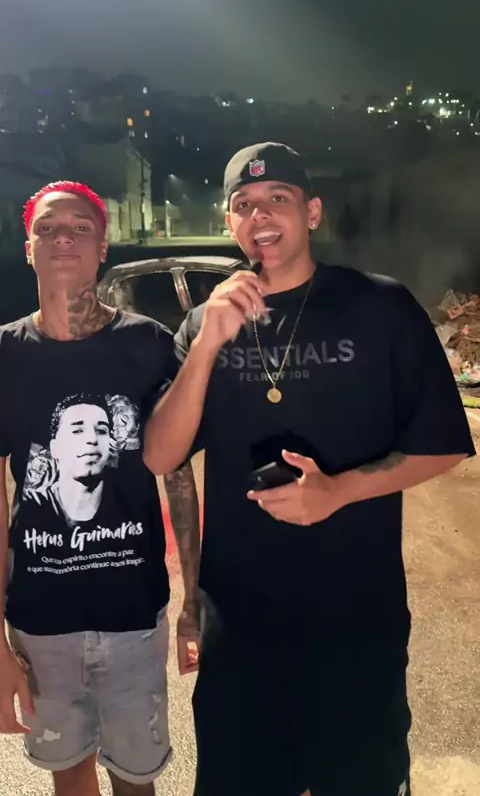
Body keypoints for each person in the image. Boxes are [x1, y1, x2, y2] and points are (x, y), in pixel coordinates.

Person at [143, 142, 476, 796]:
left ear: (313, 212)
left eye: (279, 199)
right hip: (240, 624)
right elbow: (160, 453)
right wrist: (207, 343)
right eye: (244, 204)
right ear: (230, 223)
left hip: (356, 616)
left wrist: (340, 491)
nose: (260, 216)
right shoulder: (204, 323)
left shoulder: (379, 307)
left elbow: (444, 443)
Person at [0, 181, 175, 796]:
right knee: (69, 774)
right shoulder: (5, 354)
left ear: (103, 248)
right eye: (47, 228)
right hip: (40, 620)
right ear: (28, 248)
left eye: (80, 227)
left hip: (133, 615)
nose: (63, 238)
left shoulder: (148, 344)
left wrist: (194, 605)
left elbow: (179, 478)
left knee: (135, 776)